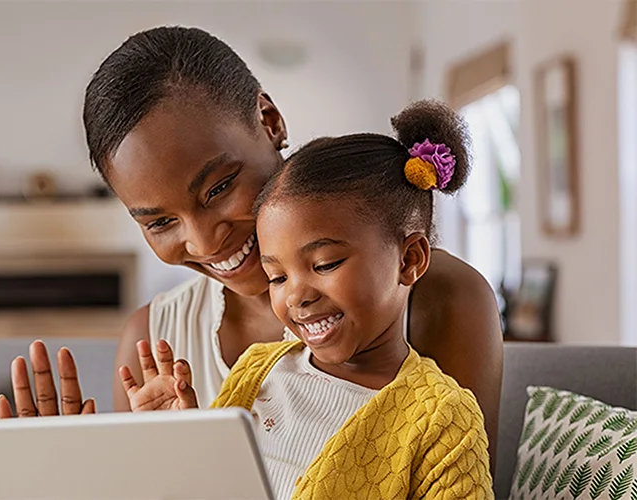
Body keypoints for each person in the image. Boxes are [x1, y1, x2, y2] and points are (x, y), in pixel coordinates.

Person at [0, 26, 502, 454]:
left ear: (269, 120)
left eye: (218, 189)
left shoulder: (438, 298)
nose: (204, 242)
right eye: (160, 223)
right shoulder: (152, 342)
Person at [120, 101, 491, 499]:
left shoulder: (443, 418)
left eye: (325, 264)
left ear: (409, 259)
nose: (296, 295)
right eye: (277, 277)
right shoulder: (257, 370)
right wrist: (182, 449)